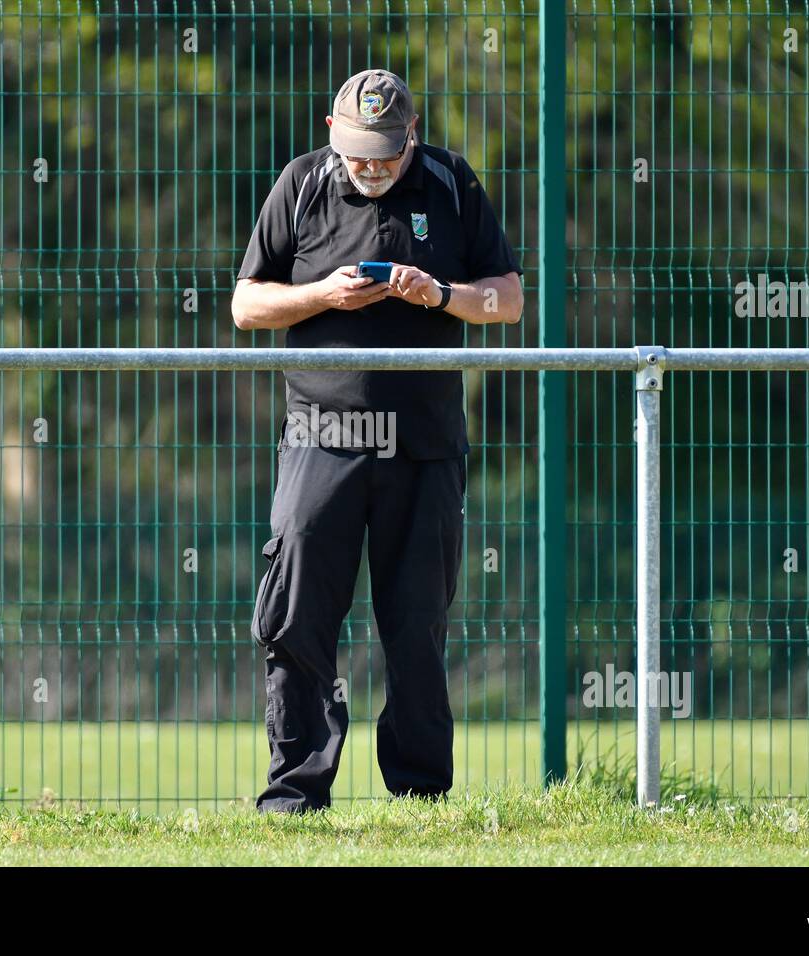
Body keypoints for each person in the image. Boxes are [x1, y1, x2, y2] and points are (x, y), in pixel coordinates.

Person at [231, 68, 524, 813]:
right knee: (296, 615)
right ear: (334, 134)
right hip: (318, 439)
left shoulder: (452, 183)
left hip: (425, 446)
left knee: (417, 621)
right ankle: (295, 797)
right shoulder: (300, 186)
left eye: (386, 155)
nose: (371, 167)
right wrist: (322, 294)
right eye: (359, 152)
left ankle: (421, 797)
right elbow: (246, 305)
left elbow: (509, 298)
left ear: (412, 138)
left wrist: (441, 295)